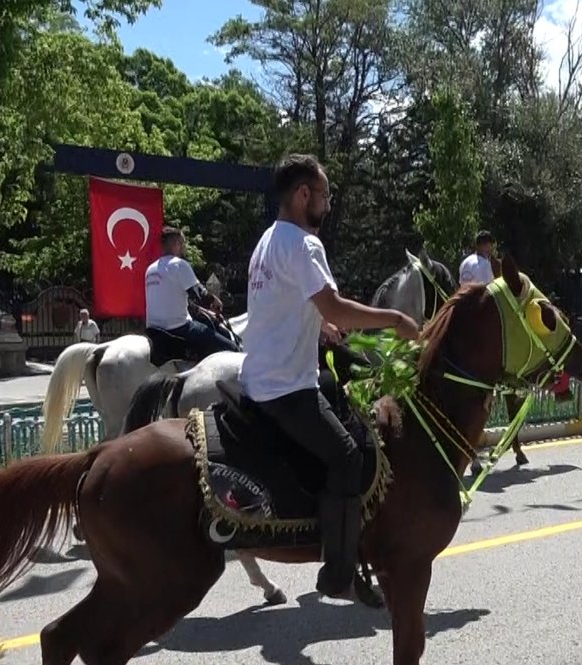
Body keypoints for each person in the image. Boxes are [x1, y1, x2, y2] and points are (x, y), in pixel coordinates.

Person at [239, 153, 419, 598]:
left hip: (259, 378)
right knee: (348, 458)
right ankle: (338, 574)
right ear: (303, 195)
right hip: (285, 388)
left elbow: (285, 303)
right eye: (324, 195)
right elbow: (336, 306)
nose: (328, 203)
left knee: (334, 388)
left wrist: (321, 326)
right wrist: (395, 319)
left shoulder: (267, 241)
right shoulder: (304, 245)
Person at [144, 226, 240, 362]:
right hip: (178, 328)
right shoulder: (179, 265)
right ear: (176, 243)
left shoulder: (150, 269)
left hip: (153, 329)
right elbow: (199, 294)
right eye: (182, 243)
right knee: (232, 349)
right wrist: (214, 301)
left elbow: (174, 299)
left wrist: (202, 310)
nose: (183, 247)